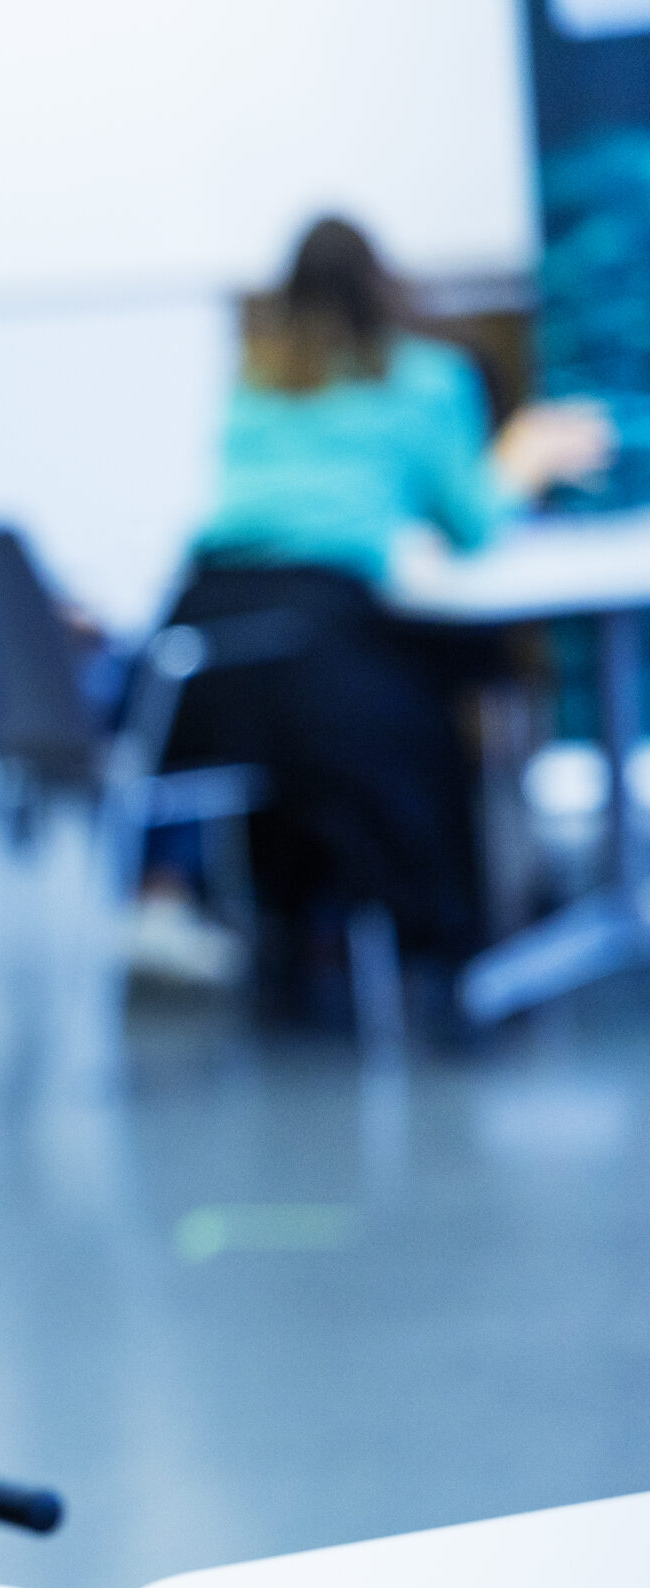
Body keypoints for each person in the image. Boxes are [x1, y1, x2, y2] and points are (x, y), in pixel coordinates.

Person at [163, 216, 612, 1003]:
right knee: (454, 684)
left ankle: (299, 937)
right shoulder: (425, 377)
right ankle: (462, 947)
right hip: (322, 650)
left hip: (201, 643)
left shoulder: (256, 379)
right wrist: (528, 453)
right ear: (385, 284)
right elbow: (472, 524)